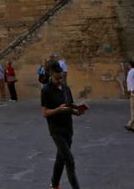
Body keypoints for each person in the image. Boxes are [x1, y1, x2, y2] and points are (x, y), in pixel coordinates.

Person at [40, 61, 86, 189]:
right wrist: (57, 110)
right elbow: (45, 112)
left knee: (61, 158)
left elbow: (70, 106)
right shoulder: (46, 90)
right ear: (50, 74)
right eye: (57, 77)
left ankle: (54, 185)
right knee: (69, 160)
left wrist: (78, 111)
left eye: (61, 77)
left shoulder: (66, 89)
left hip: (68, 128)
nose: (59, 79)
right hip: (56, 130)